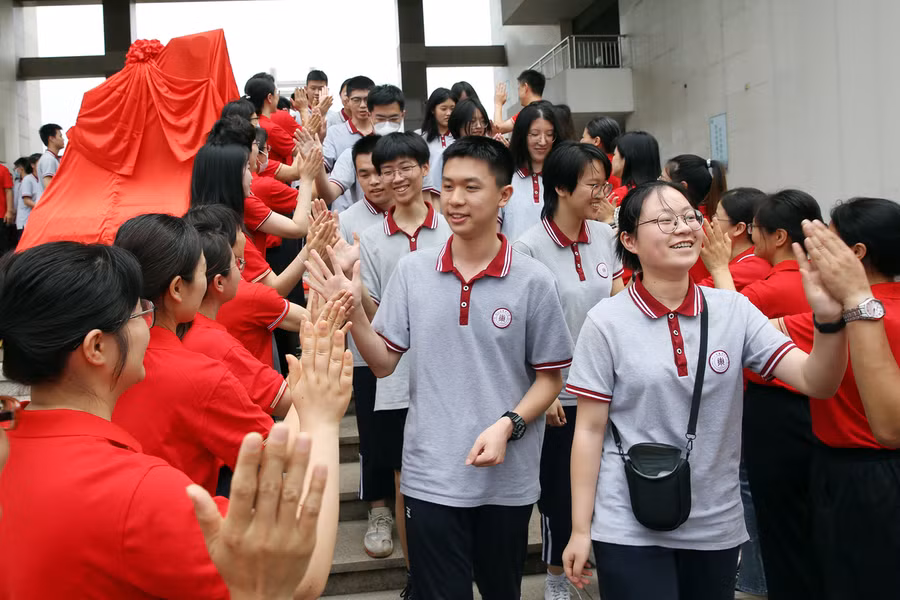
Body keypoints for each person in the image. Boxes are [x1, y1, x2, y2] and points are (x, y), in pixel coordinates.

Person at [0, 240, 351, 599]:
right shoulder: (139, 493)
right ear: (97, 348)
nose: (148, 324)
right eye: (139, 314)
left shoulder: (7, 444)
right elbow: (296, 574)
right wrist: (321, 419)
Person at [307, 136, 574, 599]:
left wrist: (509, 424)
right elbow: (384, 361)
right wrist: (351, 310)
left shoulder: (533, 280)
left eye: (471, 187)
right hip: (429, 475)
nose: (454, 199)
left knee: (500, 591)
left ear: (503, 196)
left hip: (505, 480)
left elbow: (551, 376)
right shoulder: (414, 271)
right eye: (447, 186)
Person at [562, 181, 848, 600]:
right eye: (664, 220)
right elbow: (588, 430)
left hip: (715, 522)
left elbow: (817, 381)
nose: (683, 228)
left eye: (689, 217)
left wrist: (828, 322)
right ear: (629, 240)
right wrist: (581, 530)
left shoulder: (735, 310)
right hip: (626, 519)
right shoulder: (606, 321)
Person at [699, 189, 825, 600]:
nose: (752, 236)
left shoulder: (767, 288)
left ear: (779, 238)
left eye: (757, 229)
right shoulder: (823, 280)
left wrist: (717, 267)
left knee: (777, 518)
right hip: (818, 407)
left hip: (775, 410)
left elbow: (727, 323)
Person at [772, 199, 900, 599]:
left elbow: (750, 330)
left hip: (860, 477)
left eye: (830, 238)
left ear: (856, 254)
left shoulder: (859, 318)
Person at [512, 141, 623, 600]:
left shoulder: (606, 237)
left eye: (604, 181)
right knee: (559, 491)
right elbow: (521, 328)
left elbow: (619, 305)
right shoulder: (528, 248)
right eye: (592, 183)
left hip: (608, 389)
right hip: (561, 396)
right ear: (560, 187)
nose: (602, 191)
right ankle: (557, 576)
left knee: (609, 485)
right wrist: (548, 388)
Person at [357, 132, 453, 585]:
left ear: (423, 168)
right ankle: (418, 578)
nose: (396, 178)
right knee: (404, 479)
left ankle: (452, 568)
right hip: (397, 377)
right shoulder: (371, 239)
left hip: (454, 374)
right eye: (386, 170)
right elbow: (376, 312)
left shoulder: (453, 228)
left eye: (405, 167)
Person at [336, 133, 398, 559]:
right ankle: (379, 511)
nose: (374, 181)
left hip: (420, 349)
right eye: (365, 175)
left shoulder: (425, 215)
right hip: (366, 349)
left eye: (381, 171)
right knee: (374, 437)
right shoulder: (347, 220)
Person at [799, 218, 900, 445]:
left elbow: (745, 330)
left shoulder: (840, 316)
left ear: (857, 252)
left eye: (828, 244)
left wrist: (719, 268)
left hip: (855, 465)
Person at [190, 141, 314, 256]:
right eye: (255, 142)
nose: (251, 176)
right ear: (230, 176)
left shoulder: (201, 221)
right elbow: (299, 227)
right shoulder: (236, 229)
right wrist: (307, 180)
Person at [320, 85, 417, 209]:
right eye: (381, 118)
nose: (387, 123)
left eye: (393, 118)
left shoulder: (413, 151)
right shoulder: (354, 154)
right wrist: (317, 156)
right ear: (370, 115)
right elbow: (328, 194)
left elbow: (425, 197)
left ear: (402, 115)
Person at [661, 154, 728, 283]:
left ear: (682, 186)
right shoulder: (713, 220)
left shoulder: (689, 227)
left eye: (662, 179)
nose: (657, 185)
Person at [501, 100, 561, 241]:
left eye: (549, 134)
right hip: (513, 260)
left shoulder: (563, 177)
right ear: (522, 136)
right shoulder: (504, 176)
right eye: (534, 134)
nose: (542, 141)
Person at [696, 187, 770, 292]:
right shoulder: (743, 260)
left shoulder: (752, 267)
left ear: (739, 228)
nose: (712, 223)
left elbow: (696, 295)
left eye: (716, 217)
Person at [323, 75, 375, 171]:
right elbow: (322, 167)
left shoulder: (383, 132)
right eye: (356, 100)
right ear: (347, 102)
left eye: (367, 100)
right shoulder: (333, 133)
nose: (363, 105)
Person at [244, 75, 297, 165]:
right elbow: (300, 151)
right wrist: (303, 110)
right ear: (269, 97)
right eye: (276, 93)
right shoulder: (271, 128)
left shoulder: (251, 122)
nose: (278, 97)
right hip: (274, 176)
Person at [608, 131, 661, 206]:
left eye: (614, 154)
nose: (612, 159)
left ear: (626, 158)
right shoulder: (664, 192)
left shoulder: (618, 197)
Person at [421, 87, 456, 194]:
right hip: (430, 196)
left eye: (452, 108)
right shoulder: (422, 140)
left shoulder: (461, 138)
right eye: (443, 108)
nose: (449, 113)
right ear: (432, 110)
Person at [494, 69, 546, 134]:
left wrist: (498, 104)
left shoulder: (527, 113)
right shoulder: (549, 111)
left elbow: (498, 129)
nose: (518, 93)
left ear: (525, 87)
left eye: (519, 88)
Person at [581, 116, 622, 189]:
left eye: (583, 137)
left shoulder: (596, 167)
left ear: (596, 141)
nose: (581, 141)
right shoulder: (621, 163)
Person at [15, 154, 41, 240]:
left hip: (36, 221)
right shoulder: (28, 180)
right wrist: (42, 208)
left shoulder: (41, 179)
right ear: (32, 165)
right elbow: (26, 201)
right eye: (39, 163)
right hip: (25, 222)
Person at [37, 122, 64, 191]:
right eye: (60, 136)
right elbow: (49, 188)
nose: (63, 139)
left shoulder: (52, 158)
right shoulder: (48, 159)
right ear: (51, 138)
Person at [0, 162, 12, 253]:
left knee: (2, 244)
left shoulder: (3, 170)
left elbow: (8, 190)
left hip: (1, 214)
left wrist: (9, 211)